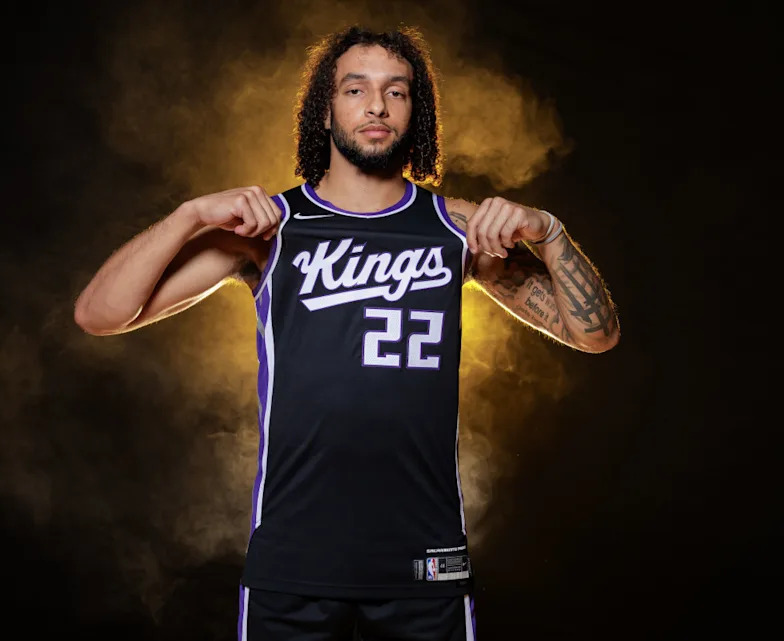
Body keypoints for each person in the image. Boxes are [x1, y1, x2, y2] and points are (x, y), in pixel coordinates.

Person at [74, 25, 619, 641]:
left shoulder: (456, 230)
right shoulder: (266, 230)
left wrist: (548, 231)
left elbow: (594, 335)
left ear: (417, 112)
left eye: (397, 91)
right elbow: (100, 314)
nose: (377, 105)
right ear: (325, 109)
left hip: (426, 562)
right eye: (355, 89)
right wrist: (190, 215)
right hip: (295, 560)